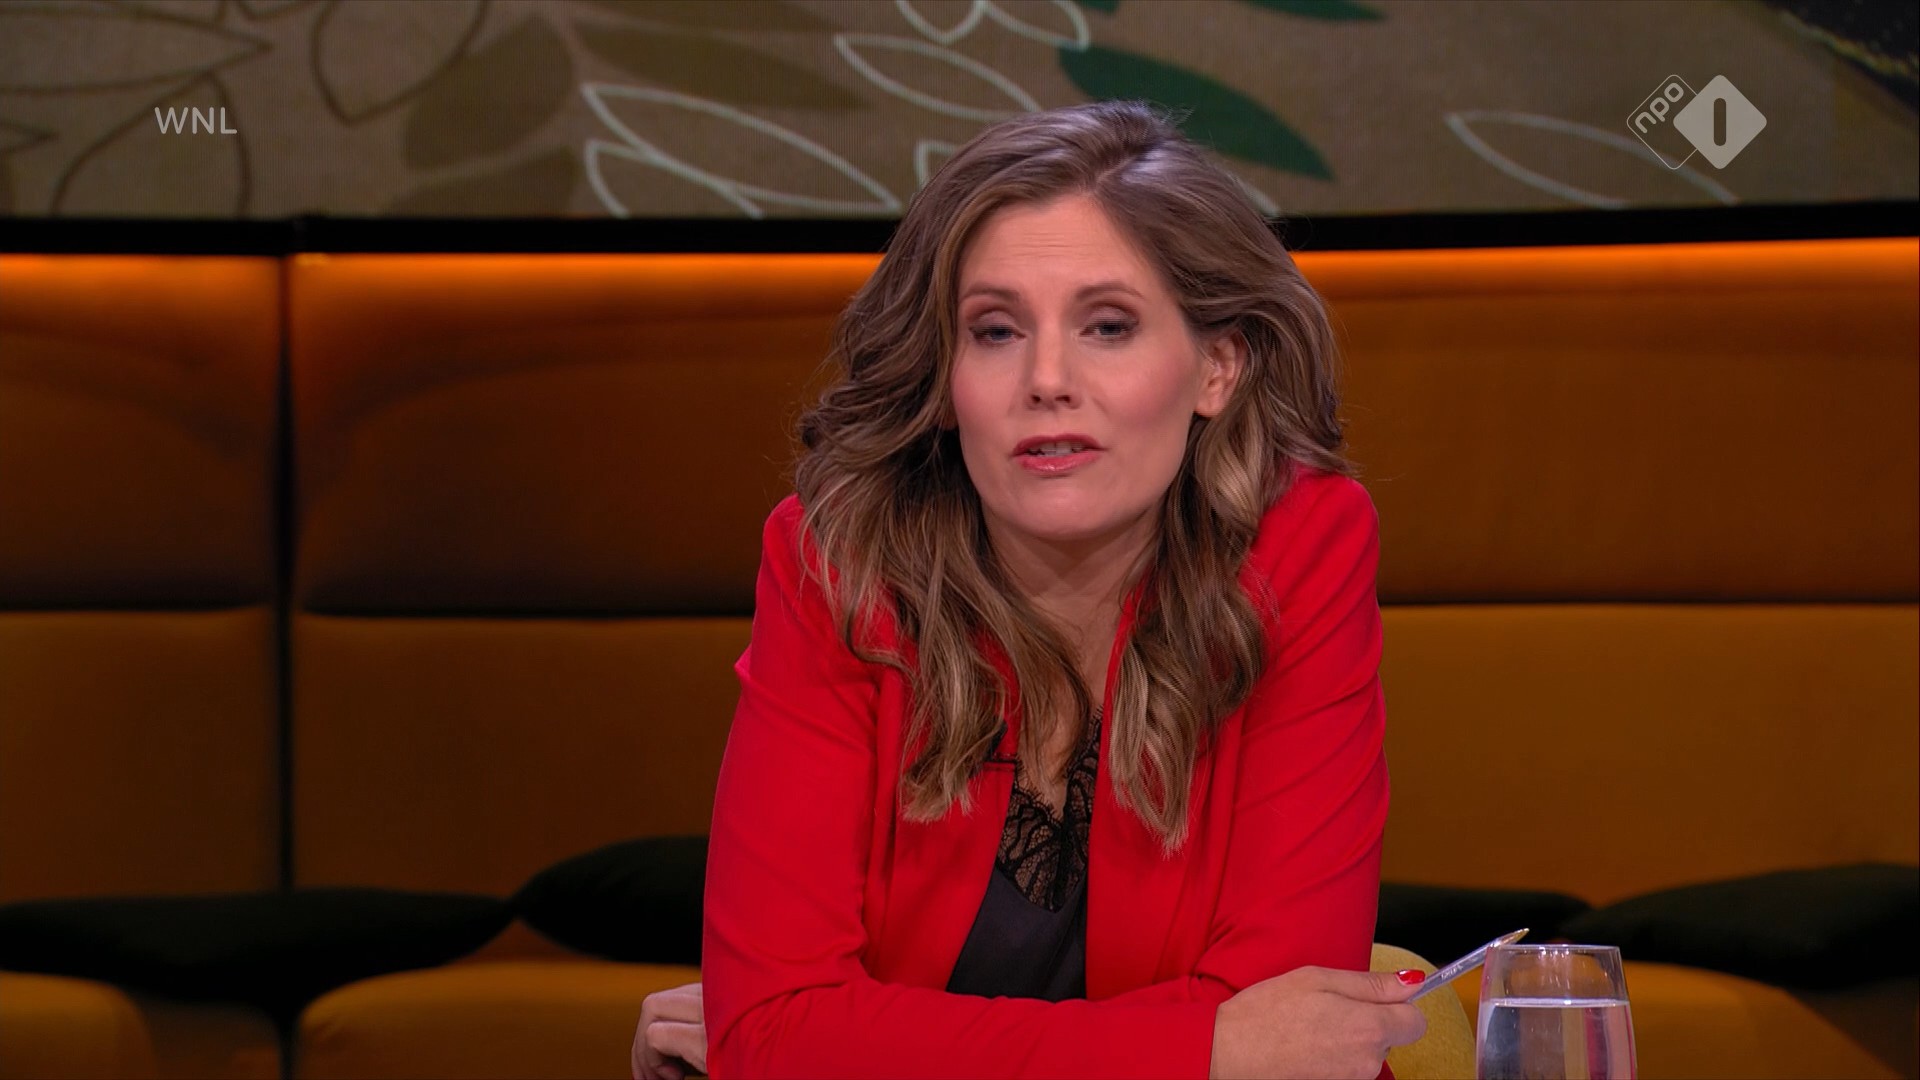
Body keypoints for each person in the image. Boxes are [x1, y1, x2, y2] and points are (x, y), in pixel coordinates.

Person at [633, 100, 1427, 1080]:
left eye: (1108, 325)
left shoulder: (1297, 550)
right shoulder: (841, 563)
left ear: (1216, 367)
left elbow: (1293, 1035)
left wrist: (861, 1040)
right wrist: (1207, 1045)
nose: (1047, 378)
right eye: (997, 330)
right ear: (945, 377)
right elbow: (772, 1030)